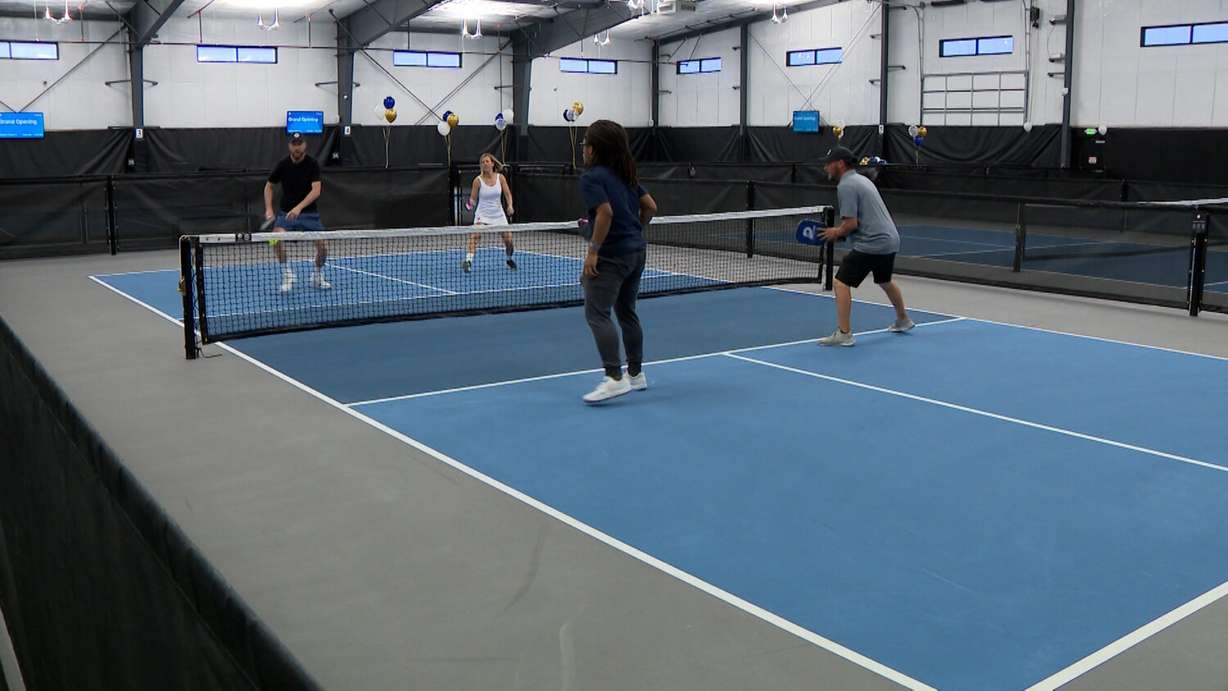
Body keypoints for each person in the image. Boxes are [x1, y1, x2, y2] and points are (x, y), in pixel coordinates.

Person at [578, 120, 658, 404]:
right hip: (636, 252)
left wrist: (593, 251)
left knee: (597, 314)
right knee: (626, 312)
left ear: (594, 149)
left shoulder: (592, 178)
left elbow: (606, 213)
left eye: (585, 143)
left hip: (612, 256)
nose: (583, 148)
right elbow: (650, 207)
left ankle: (614, 378)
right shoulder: (626, 175)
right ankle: (636, 374)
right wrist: (633, 229)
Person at [818, 146, 913, 346]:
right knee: (884, 280)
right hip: (890, 240)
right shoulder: (862, 180)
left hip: (873, 242)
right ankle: (903, 320)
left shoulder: (846, 185)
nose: (825, 167)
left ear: (840, 164)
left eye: (828, 163)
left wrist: (836, 232)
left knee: (840, 283)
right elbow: (859, 221)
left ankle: (844, 333)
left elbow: (851, 224)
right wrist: (842, 233)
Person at [264, 132, 328, 293]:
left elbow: (316, 190)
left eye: (300, 144)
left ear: (304, 145)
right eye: (294, 144)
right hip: (286, 215)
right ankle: (287, 274)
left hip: (310, 215)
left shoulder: (312, 164)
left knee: (323, 247)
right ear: (290, 146)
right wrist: (269, 208)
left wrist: (299, 207)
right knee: (274, 239)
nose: (297, 147)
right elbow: (269, 186)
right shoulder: (283, 165)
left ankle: (317, 275)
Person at [463, 153, 517, 273]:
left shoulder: (500, 178)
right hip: (482, 214)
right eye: (482, 162)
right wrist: (469, 205)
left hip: (498, 215)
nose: (485, 164)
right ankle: (468, 261)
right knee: (475, 236)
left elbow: (507, 194)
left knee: (509, 241)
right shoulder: (477, 181)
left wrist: (510, 206)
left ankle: (509, 259)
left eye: (487, 161)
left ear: (492, 164)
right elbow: (473, 199)